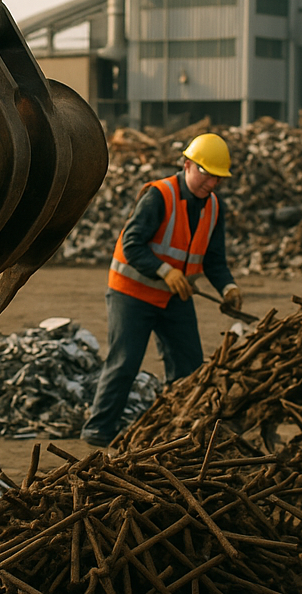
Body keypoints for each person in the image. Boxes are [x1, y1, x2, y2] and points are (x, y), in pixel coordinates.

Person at [80, 133, 242, 446]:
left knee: (190, 367)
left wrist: (228, 288)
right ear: (187, 165)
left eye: (218, 179)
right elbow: (132, 244)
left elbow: (214, 259)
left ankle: (178, 430)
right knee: (125, 361)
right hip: (132, 292)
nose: (212, 185)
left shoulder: (213, 208)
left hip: (174, 296)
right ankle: (98, 429)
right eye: (207, 175)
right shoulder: (159, 196)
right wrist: (165, 270)